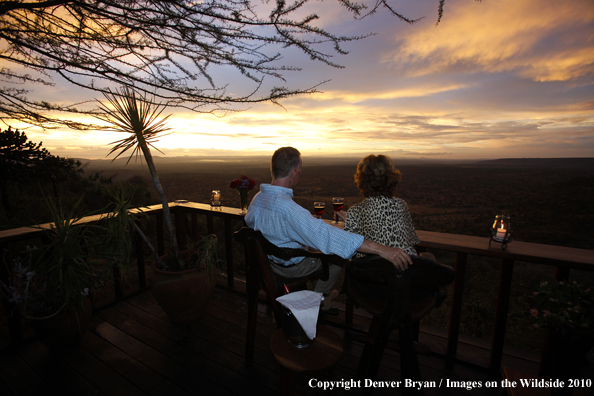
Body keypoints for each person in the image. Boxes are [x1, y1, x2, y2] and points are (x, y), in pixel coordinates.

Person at [245, 147, 413, 307]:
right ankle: (317, 298)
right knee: (339, 253)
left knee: (325, 247)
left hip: (267, 264)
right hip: (290, 269)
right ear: (294, 171)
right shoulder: (289, 209)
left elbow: (265, 225)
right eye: (300, 171)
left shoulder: (258, 199)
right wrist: (382, 249)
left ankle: (321, 297)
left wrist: (305, 223)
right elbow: (328, 237)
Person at [340, 154, 454, 300]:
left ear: (362, 180)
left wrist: (350, 222)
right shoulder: (401, 205)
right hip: (408, 286)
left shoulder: (355, 211)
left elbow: (351, 251)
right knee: (428, 259)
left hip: (373, 288)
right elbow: (409, 242)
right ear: (391, 179)